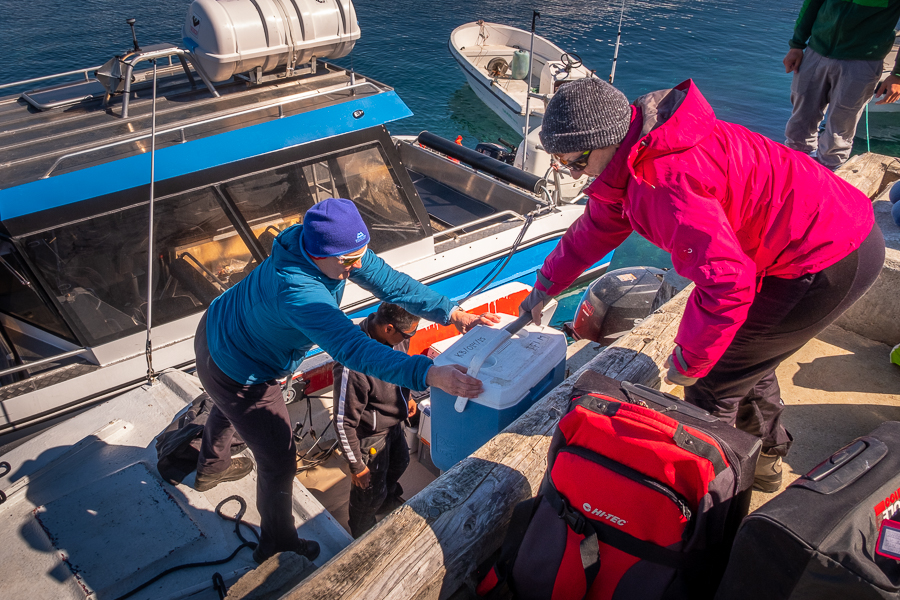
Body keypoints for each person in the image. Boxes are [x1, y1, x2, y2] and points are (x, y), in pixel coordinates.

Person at [520, 78, 885, 493]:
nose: (572, 172)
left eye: (575, 162)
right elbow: (599, 226)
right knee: (746, 357)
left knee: (711, 388)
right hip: (815, 235)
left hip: (827, 256)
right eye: (561, 162)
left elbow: (728, 283)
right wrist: (547, 284)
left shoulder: (661, 181)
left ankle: (713, 512)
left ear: (606, 139)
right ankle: (766, 461)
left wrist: (690, 361)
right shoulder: (637, 150)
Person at [193, 197, 498, 564]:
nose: (358, 266)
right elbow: (353, 348)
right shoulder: (298, 291)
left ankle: (211, 467)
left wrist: (453, 313)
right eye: (350, 261)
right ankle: (277, 543)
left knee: (227, 408)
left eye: (361, 254)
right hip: (238, 366)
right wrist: (428, 373)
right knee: (278, 458)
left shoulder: (328, 248)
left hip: (216, 327)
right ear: (321, 254)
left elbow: (394, 285)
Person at [333, 302, 419, 538]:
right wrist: (357, 466)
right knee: (368, 491)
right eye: (408, 334)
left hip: (394, 424)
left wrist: (407, 397)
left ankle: (385, 501)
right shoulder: (352, 365)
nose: (410, 338)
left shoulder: (398, 338)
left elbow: (403, 367)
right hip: (370, 437)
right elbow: (343, 423)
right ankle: (361, 530)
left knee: (400, 462)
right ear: (388, 329)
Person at [783, 0, 900, 169]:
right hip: (815, 53)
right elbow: (811, 4)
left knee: (839, 130)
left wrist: (897, 74)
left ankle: (827, 175)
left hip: (862, 62)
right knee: (799, 121)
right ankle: (792, 169)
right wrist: (797, 45)